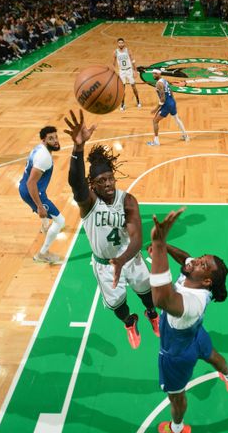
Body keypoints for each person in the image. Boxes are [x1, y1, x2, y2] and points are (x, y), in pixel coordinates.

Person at [64, 109, 159, 348]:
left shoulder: (127, 200)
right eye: (101, 181)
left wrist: (123, 259)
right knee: (117, 304)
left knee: (146, 290)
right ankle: (129, 321)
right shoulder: (88, 203)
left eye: (110, 178)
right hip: (104, 264)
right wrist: (78, 148)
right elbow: (75, 184)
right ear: (92, 184)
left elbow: (136, 238)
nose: (107, 184)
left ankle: (152, 314)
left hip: (130, 257)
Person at [147, 207, 228, 433]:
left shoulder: (193, 303)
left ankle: (177, 430)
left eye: (202, 264)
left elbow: (162, 299)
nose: (195, 261)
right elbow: (185, 257)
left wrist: (158, 246)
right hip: (195, 336)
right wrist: (164, 248)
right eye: (201, 258)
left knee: (176, 397)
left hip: (176, 355)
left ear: (206, 280)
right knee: (213, 355)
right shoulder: (193, 276)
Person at [18, 126, 66, 264]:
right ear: (44, 140)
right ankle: (42, 254)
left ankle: (45, 225)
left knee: (47, 214)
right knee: (60, 221)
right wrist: (39, 206)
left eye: (56, 137)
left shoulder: (39, 149)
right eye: (51, 138)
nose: (56, 141)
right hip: (31, 191)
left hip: (27, 187)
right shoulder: (44, 157)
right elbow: (31, 183)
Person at [148, 69, 189, 147]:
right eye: (153, 73)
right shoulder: (164, 80)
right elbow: (170, 90)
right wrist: (172, 101)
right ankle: (186, 136)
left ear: (159, 74)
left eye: (155, 74)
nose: (153, 75)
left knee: (155, 121)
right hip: (172, 102)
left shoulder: (159, 84)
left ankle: (156, 142)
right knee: (177, 119)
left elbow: (162, 99)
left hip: (166, 104)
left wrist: (156, 108)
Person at [114, 38, 141, 111]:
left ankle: (138, 100)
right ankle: (122, 104)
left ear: (124, 43)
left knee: (133, 86)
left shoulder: (127, 50)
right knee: (122, 88)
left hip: (129, 70)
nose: (121, 44)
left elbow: (133, 60)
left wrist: (135, 70)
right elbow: (113, 63)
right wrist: (113, 71)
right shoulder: (115, 52)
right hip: (122, 71)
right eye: (119, 43)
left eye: (122, 43)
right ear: (117, 44)